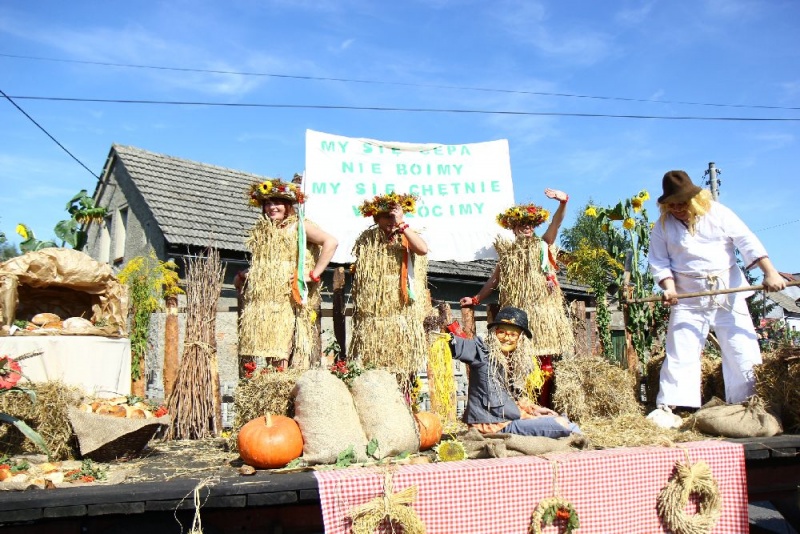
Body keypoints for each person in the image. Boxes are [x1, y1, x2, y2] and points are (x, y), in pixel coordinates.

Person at [647, 170, 786, 427]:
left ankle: (748, 404)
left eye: (682, 204)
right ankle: (673, 408)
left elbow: (747, 241)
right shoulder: (663, 226)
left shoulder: (719, 213)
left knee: (741, 347)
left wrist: (770, 272)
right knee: (680, 349)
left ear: (695, 200)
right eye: (671, 205)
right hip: (688, 296)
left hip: (727, 293)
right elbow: (658, 261)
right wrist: (668, 287)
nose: (677, 209)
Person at [459, 189, 574, 404]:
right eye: (522, 224)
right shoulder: (507, 255)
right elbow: (494, 281)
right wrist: (475, 299)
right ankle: (522, 405)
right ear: (513, 228)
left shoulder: (543, 245)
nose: (527, 227)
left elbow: (556, 224)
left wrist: (563, 203)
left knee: (544, 359)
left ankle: (544, 404)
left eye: (531, 224)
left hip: (543, 315)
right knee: (519, 362)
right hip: (518, 317)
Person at [237, 178, 338, 371]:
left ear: (288, 205)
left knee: (285, 348)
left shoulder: (299, 226)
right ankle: (273, 382)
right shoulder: (265, 232)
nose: (271, 207)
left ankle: (283, 383)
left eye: (277, 203)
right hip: (267, 300)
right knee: (270, 347)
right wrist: (245, 275)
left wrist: (313, 274)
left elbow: (331, 242)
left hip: (289, 300)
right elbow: (266, 264)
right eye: (267, 203)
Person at [448, 306, 580, 437]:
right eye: (502, 332)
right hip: (491, 424)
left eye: (513, 335)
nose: (506, 338)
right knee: (560, 424)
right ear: (494, 333)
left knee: (560, 419)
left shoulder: (514, 363)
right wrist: (448, 338)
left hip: (508, 420)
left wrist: (533, 410)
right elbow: (459, 345)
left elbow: (512, 399)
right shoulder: (481, 352)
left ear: (520, 339)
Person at [348, 192, 430, 380]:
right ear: (377, 218)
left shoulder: (407, 233)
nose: (390, 220)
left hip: (402, 311)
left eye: (394, 215)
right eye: (386, 216)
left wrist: (402, 224)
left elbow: (422, 249)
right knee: (375, 364)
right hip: (374, 314)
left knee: (401, 366)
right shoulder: (367, 238)